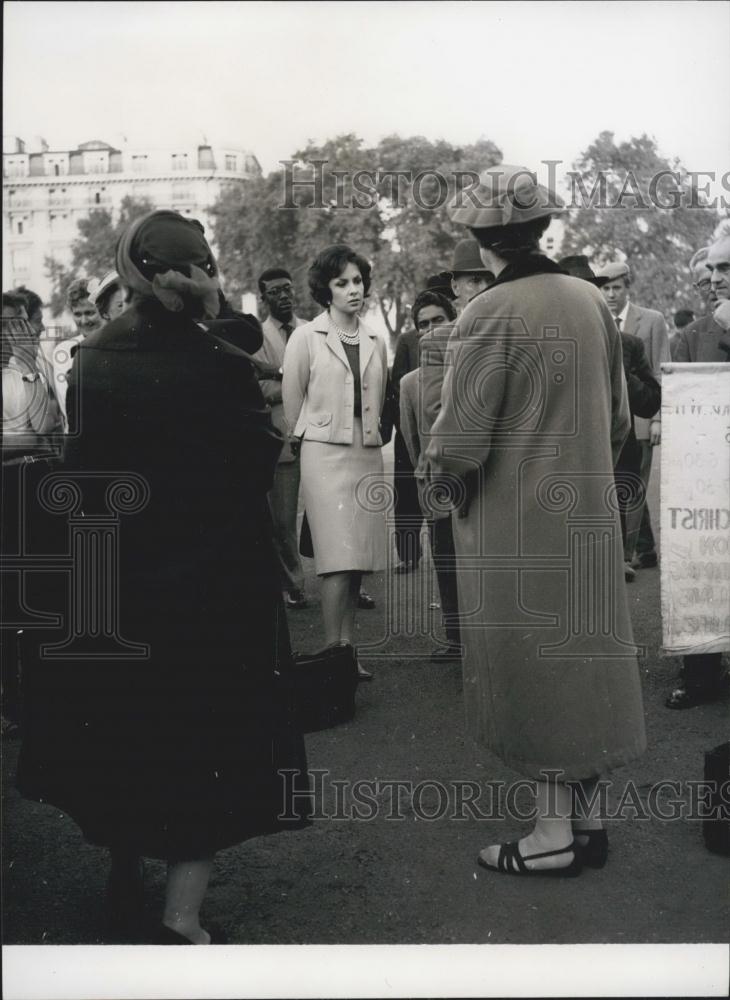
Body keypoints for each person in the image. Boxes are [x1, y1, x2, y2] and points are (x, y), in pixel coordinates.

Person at [16, 210, 311, 944]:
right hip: (211, 589)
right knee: (206, 745)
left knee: (125, 730)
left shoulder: (94, 359)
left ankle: (124, 869)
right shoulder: (218, 363)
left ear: (133, 273)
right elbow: (252, 467)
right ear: (200, 273)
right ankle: (181, 918)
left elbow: (83, 474)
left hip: (118, 582)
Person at [427, 164, 646, 876]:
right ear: (540, 228)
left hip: (515, 521)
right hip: (586, 513)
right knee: (582, 662)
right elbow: (617, 421)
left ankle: (551, 835)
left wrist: (444, 486)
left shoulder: (486, 314)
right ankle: (589, 819)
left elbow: (459, 442)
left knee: (535, 672)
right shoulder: (588, 300)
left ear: (480, 239)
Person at [282, 244, 388, 681]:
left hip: (365, 453)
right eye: (342, 283)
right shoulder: (306, 336)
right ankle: (332, 653)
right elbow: (293, 399)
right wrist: (309, 433)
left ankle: (348, 653)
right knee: (335, 559)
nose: (353, 290)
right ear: (325, 290)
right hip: (323, 454)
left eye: (358, 281)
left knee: (357, 560)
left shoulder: (375, 339)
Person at [665, 226, 730, 708]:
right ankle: (701, 671)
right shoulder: (689, 338)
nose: (716, 279)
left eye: (726, 269)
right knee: (702, 566)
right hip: (706, 480)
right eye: (712, 270)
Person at [398, 291, 461, 662]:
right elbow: (411, 440)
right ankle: (456, 637)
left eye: (438, 320)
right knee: (446, 560)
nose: (431, 329)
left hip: (473, 482)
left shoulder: (470, 370)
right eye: (423, 324)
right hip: (435, 484)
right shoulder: (410, 383)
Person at [596, 261, 670, 571]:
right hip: (609, 421)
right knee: (630, 486)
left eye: (617, 288)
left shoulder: (651, 321)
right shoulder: (598, 320)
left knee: (634, 486)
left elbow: (662, 370)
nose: (611, 294)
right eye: (606, 288)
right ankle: (646, 548)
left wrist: (658, 419)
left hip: (640, 419)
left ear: (628, 289)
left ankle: (627, 554)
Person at [252, 267, 308, 609]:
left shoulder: (313, 331)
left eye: (287, 289)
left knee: (325, 515)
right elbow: (253, 386)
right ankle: (295, 585)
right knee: (284, 520)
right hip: (281, 440)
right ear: (264, 298)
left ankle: (345, 582)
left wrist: (280, 378)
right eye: (275, 291)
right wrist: (294, 384)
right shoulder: (256, 338)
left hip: (319, 437)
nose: (283, 296)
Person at [52, 278, 103, 429]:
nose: (84, 320)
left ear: (103, 310)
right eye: (78, 314)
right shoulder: (64, 351)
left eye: (89, 312)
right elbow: (70, 407)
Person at [449, 238, 494, 313]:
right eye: (475, 281)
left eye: (490, 280)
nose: (485, 287)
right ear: (455, 287)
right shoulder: (455, 325)